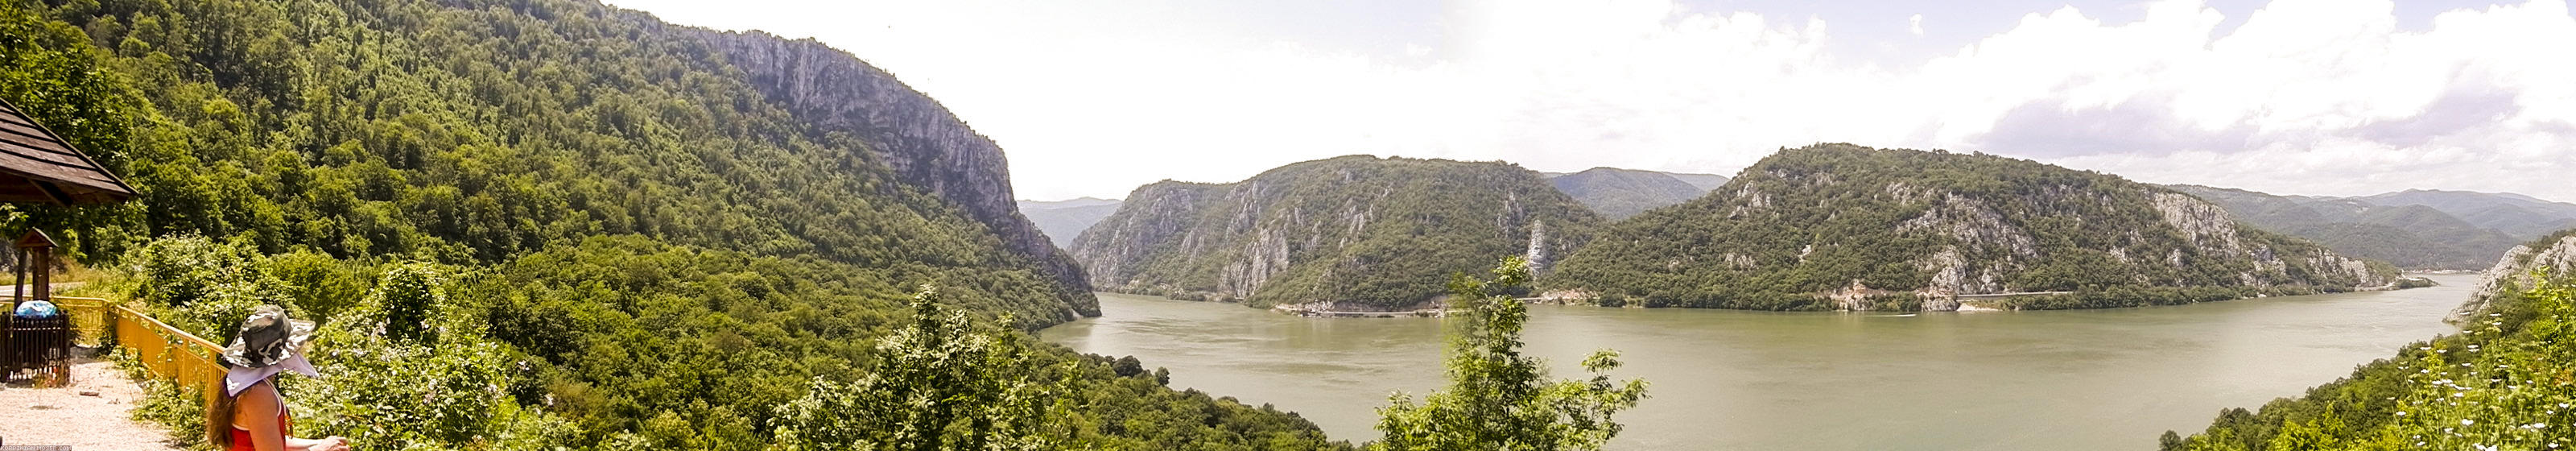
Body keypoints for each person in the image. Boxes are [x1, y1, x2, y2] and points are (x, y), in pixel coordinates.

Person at [205, 305, 351, 451]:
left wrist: (320, 443)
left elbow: (271, 440)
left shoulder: (240, 381)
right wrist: (321, 449)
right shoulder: (257, 394)